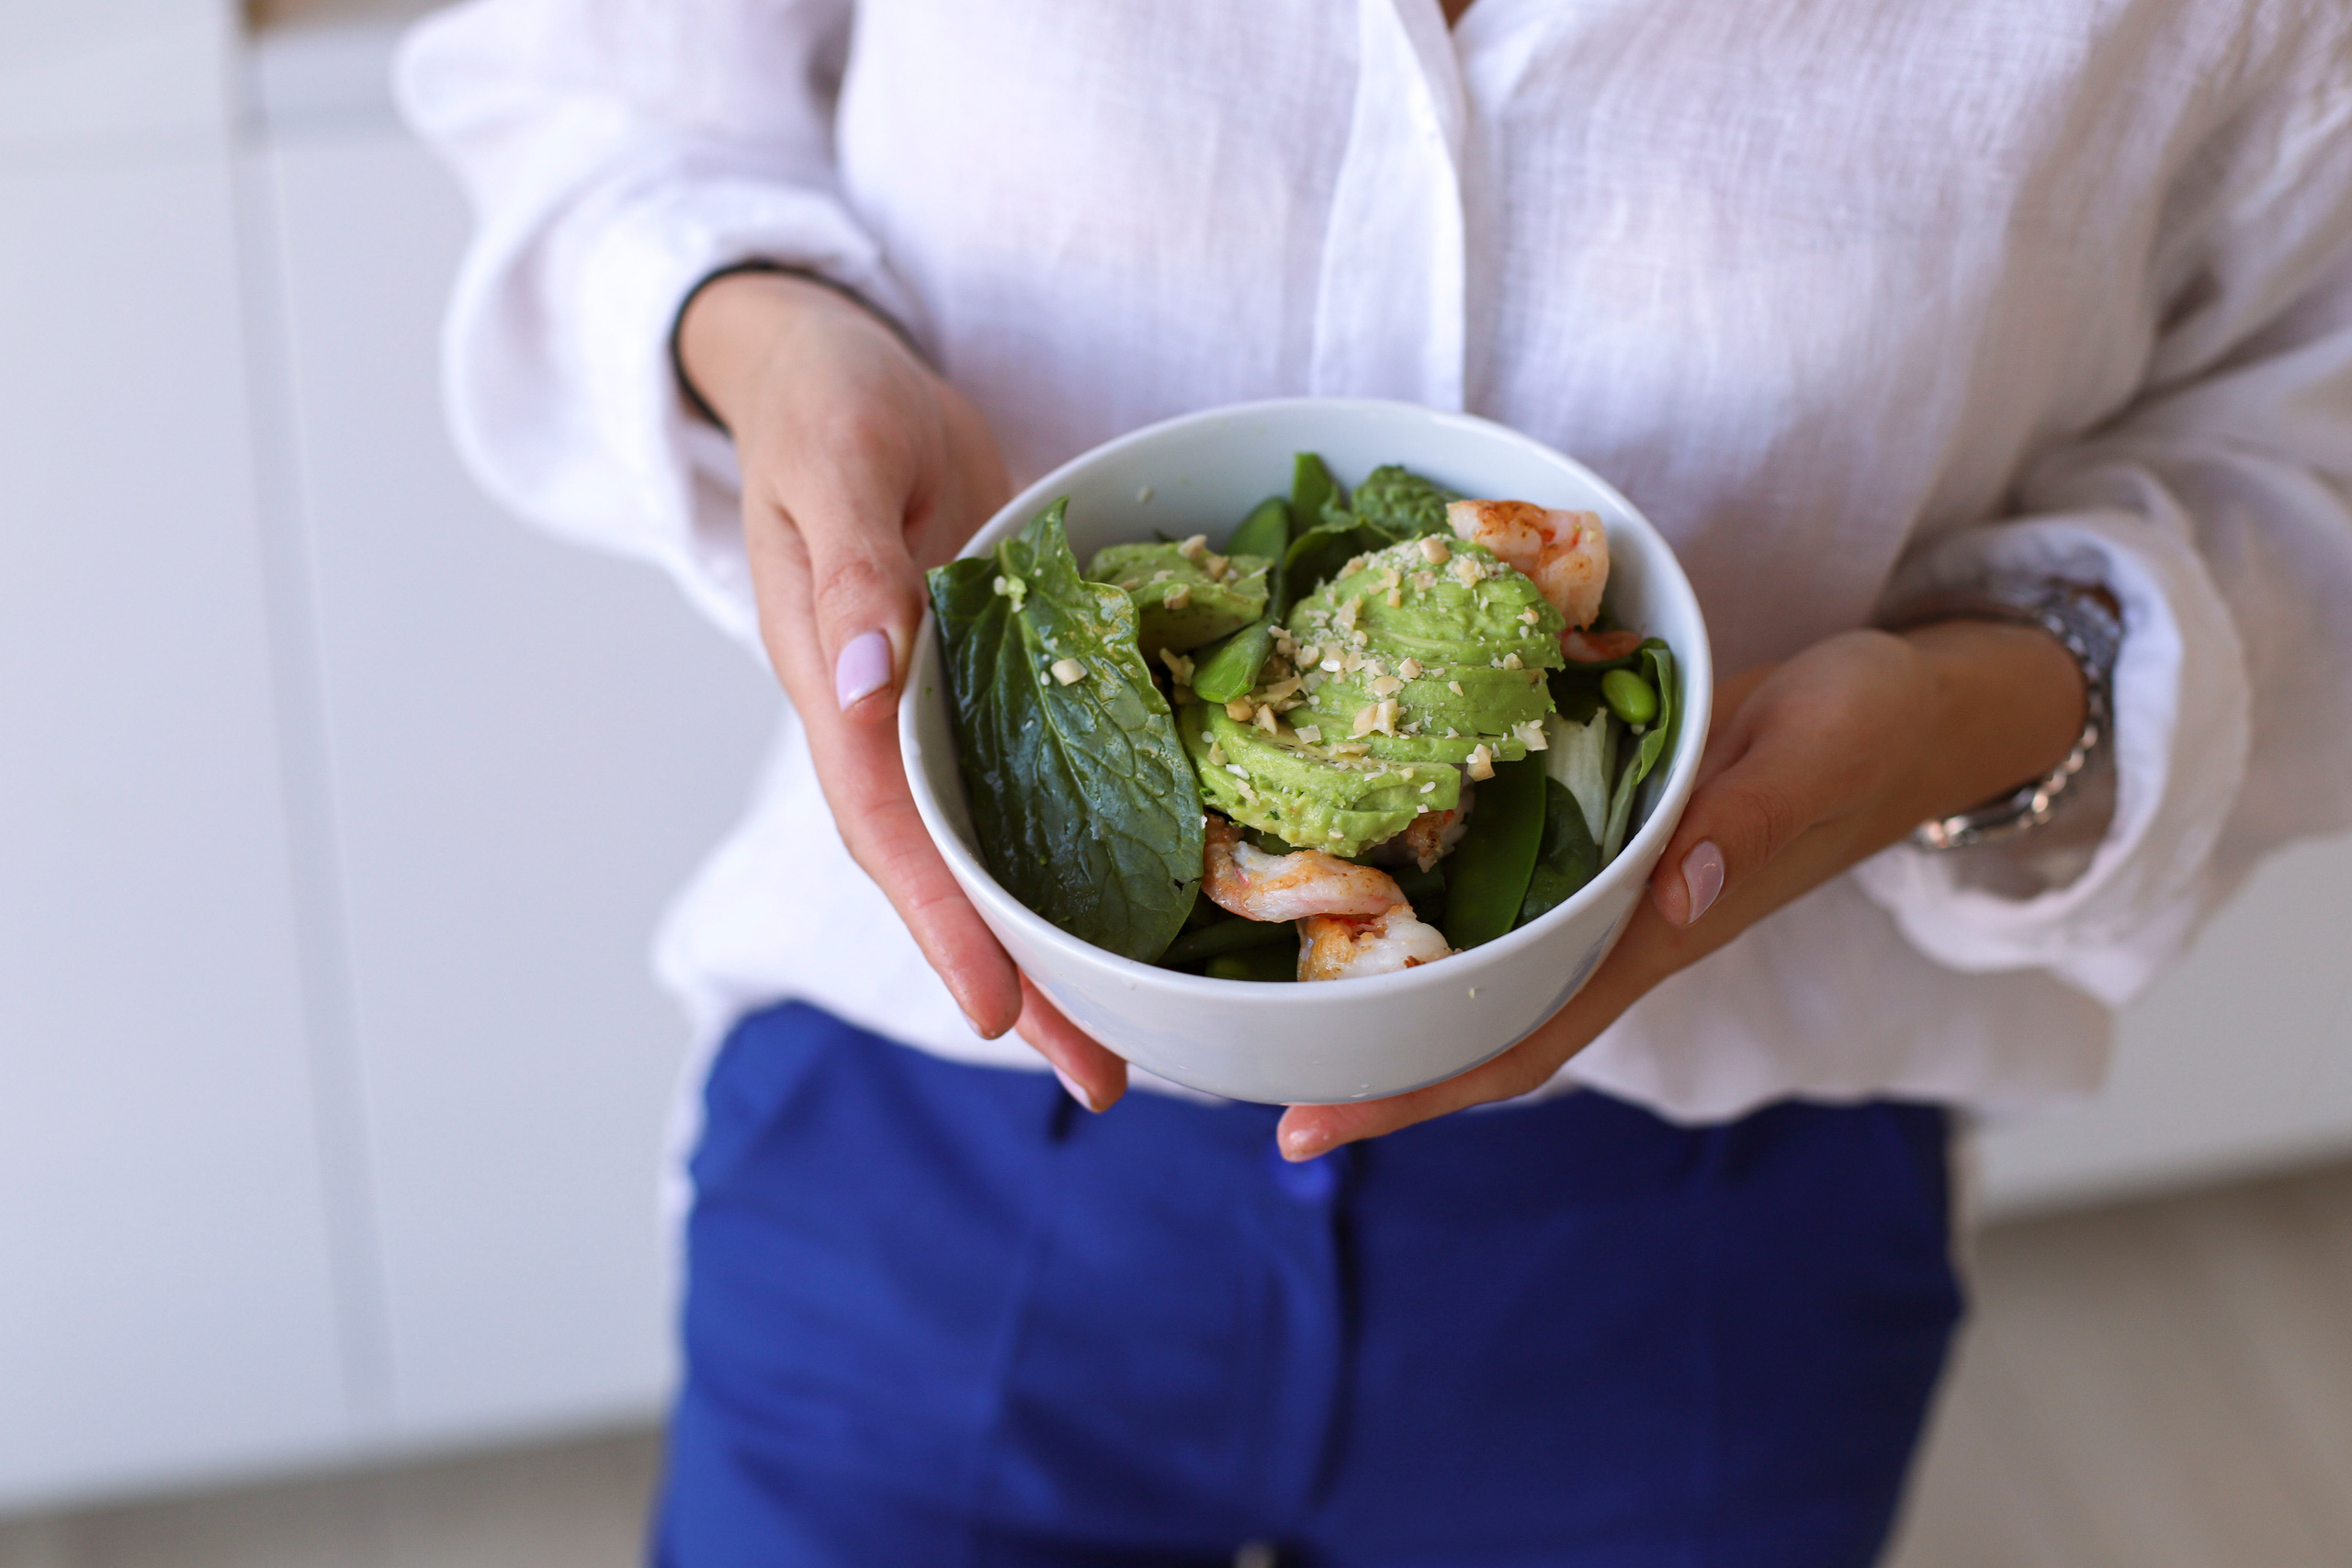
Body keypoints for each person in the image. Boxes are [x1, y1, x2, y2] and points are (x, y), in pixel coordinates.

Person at [397, 1, 2352, 1562]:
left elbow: (2306, 474)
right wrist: (773, 336)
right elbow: (592, 85)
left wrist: (1949, 715)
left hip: (1703, 1214)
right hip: (933, 1107)